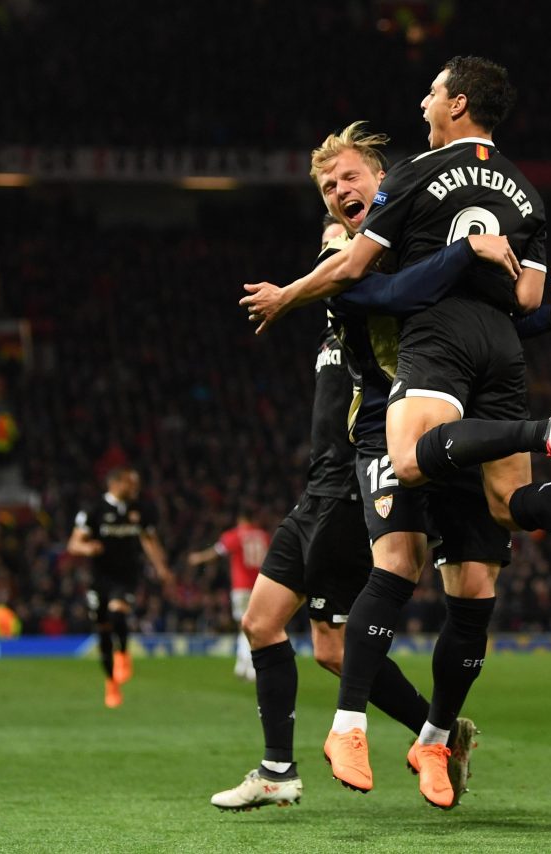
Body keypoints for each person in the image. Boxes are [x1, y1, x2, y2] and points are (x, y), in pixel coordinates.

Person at [273, 122, 551, 809]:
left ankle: (437, 736)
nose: (338, 192)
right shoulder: (342, 250)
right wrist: (466, 252)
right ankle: (348, 727)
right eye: (329, 186)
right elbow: (387, 298)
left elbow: (492, 317)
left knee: (476, 589)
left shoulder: (415, 223)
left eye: (349, 177)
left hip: (460, 418)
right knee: (397, 562)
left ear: (380, 178)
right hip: (387, 426)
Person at [240, 57, 551, 601]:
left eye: (350, 177)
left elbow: (378, 282)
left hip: (440, 374)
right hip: (469, 376)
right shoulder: (523, 196)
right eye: (329, 185)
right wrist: (548, 309)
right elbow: (505, 299)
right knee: (501, 508)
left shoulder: (413, 185)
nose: (424, 103)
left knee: (422, 487)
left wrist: (286, 296)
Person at [209, 216, 515, 811]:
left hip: (354, 491)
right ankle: (278, 772)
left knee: (329, 646)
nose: (330, 252)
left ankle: (440, 735)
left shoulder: (389, 315)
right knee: (261, 622)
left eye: (340, 245)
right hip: (315, 491)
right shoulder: (337, 320)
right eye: (323, 244)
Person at [67, 467, 174, 708]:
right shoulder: (93, 510)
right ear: (115, 483)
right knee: (103, 631)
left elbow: (149, 540)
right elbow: (73, 544)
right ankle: (111, 683)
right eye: (130, 483)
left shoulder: (141, 510)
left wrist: (161, 567)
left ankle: (123, 654)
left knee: (118, 612)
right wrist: (88, 548)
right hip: (100, 578)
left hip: (126, 576)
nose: (135, 487)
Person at [187, 502, 270, 681]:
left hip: (241, 588)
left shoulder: (235, 535)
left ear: (240, 518)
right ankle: (243, 665)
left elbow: (217, 551)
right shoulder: (264, 536)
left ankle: (248, 666)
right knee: (253, 626)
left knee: (246, 626)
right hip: (262, 586)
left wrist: (198, 558)